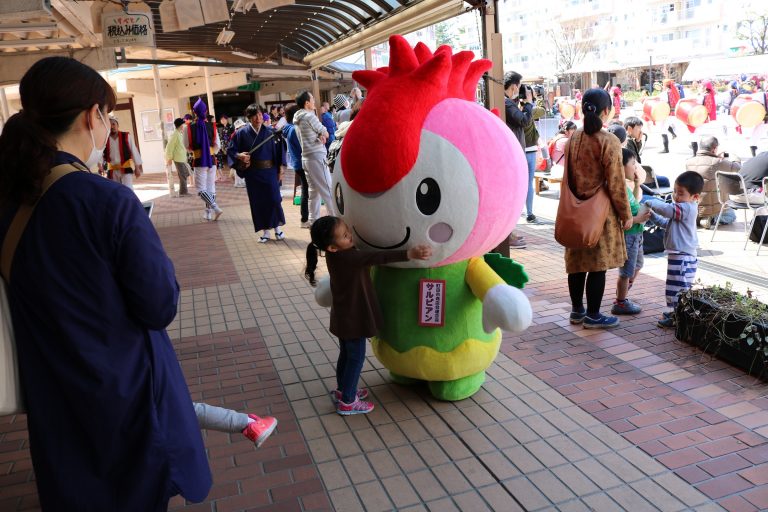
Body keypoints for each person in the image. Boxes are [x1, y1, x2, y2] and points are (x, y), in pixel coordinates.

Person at [0, 56, 211, 510]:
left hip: (52, 394)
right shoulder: (107, 200)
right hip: (124, 395)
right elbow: (158, 305)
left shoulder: (9, 202)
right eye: (107, 115)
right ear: (92, 115)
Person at [304, 216, 432, 414]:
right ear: (332, 247)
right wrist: (410, 253)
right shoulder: (350, 258)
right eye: (344, 236)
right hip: (354, 320)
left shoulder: (335, 255)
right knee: (356, 359)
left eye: (348, 230)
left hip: (343, 317)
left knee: (346, 356)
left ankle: (343, 391)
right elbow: (378, 257)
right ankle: (348, 401)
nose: (350, 235)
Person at [562, 88, 632, 329]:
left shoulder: (573, 138)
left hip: (574, 210)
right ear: (606, 111)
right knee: (597, 265)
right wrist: (626, 214)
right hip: (599, 213)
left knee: (577, 263)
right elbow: (616, 183)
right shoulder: (608, 140)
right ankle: (593, 315)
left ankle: (577, 311)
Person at [645, 171, 705, 328]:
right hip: (680, 255)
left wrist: (651, 202)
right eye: (675, 191)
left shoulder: (687, 208)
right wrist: (653, 217)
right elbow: (667, 223)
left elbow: (667, 210)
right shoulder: (683, 208)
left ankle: (678, 318)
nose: (676, 197)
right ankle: (676, 314)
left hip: (682, 256)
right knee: (676, 287)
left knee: (677, 289)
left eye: (681, 193)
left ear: (695, 197)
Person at [228, 103, 287, 242]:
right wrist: (239, 155)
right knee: (258, 202)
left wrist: (281, 168)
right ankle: (265, 232)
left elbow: (280, 150)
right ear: (249, 117)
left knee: (274, 199)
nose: (258, 118)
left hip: (270, 171)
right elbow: (231, 150)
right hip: (253, 173)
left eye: (260, 114)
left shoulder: (271, 132)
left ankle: (277, 229)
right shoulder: (241, 133)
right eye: (254, 115)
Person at [612, 148, 652, 315]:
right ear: (621, 166)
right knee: (626, 271)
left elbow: (633, 202)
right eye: (633, 164)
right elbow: (622, 221)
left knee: (638, 265)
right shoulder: (617, 189)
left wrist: (636, 185)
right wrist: (639, 219)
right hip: (629, 236)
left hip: (637, 234)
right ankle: (620, 302)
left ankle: (623, 291)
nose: (635, 168)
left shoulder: (625, 187)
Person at [294, 91, 336, 224]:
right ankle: (336, 221)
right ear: (307, 103)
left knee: (313, 192)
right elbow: (326, 133)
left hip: (306, 158)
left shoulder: (297, 118)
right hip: (317, 157)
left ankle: (313, 221)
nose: (314, 101)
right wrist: (321, 135)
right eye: (312, 98)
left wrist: (319, 136)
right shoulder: (309, 116)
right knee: (328, 190)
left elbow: (311, 135)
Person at [503, 71, 534, 248]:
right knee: (511, 197)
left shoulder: (509, 103)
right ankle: (507, 234)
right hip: (511, 157)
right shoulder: (506, 103)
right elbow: (524, 121)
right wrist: (528, 103)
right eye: (520, 86)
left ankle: (509, 232)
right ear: (514, 85)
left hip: (512, 154)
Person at [685, 135, 741, 228]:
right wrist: (734, 157)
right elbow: (738, 168)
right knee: (731, 215)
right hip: (713, 209)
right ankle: (712, 219)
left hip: (695, 207)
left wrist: (716, 156)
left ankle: (698, 218)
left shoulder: (689, 162)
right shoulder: (718, 162)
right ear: (714, 149)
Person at [189, 98, 223, 221]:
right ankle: (208, 212)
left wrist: (196, 151)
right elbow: (218, 145)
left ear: (194, 112)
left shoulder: (189, 127)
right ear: (206, 111)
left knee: (201, 189)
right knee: (210, 187)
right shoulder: (212, 126)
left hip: (199, 160)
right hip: (211, 159)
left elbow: (187, 145)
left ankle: (215, 208)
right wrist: (210, 151)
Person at [283, 104, 310, 228]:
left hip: (297, 163)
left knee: (306, 190)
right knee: (306, 191)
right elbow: (303, 147)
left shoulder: (288, 128)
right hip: (302, 163)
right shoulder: (294, 130)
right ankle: (305, 219)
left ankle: (306, 218)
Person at [102, 117, 142, 189]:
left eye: (113, 124)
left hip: (126, 168)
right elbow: (102, 154)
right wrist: (101, 166)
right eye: (110, 125)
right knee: (115, 189)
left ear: (118, 125)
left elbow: (133, 150)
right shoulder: (105, 139)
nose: (112, 127)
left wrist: (137, 168)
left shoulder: (126, 136)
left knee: (128, 188)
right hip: (112, 170)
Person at [166, 117, 191, 196]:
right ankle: (183, 192)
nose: (183, 126)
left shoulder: (179, 133)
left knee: (185, 173)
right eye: (183, 124)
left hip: (182, 158)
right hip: (178, 158)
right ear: (180, 125)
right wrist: (169, 158)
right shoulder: (175, 134)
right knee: (183, 175)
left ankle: (183, 191)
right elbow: (169, 147)